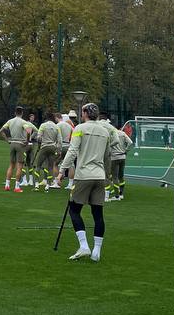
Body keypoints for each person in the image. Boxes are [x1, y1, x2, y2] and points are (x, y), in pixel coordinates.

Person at [54, 102, 110, 261]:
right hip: (99, 176)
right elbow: (107, 155)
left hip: (84, 175)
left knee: (74, 210)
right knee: (98, 214)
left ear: (85, 113)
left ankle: (84, 246)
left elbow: (72, 151)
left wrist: (61, 171)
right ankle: (96, 252)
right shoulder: (105, 131)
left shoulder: (79, 128)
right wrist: (107, 175)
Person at [0, 106, 32, 192]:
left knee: (11, 165)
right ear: (22, 113)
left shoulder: (10, 121)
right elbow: (29, 131)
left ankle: (7, 185)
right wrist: (27, 141)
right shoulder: (23, 122)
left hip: (12, 143)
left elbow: (1, 131)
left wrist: (7, 140)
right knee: (20, 166)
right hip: (20, 144)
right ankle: (17, 187)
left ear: (15, 113)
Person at [33, 109, 63, 191]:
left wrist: (39, 145)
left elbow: (39, 137)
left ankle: (36, 184)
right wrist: (59, 150)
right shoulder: (56, 127)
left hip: (44, 147)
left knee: (38, 165)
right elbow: (60, 140)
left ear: (46, 118)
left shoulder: (43, 125)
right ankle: (48, 185)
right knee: (50, 167)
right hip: (52, 147)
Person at [105, 121, 133, 202]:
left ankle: (116, 196)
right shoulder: (123, 133)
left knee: (114, 177)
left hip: (114, 157)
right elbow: (130, 143)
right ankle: (121, 194)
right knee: (121, 176)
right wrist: (126, 150)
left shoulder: (111, 134)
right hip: (122, 156)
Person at [51, 111, 75, 189]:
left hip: (61, 146)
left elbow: (55, 137)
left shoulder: (57, 125)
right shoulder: (69, 125)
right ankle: (70, 184)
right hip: (68, 145)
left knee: (55, 163)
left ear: (56, 118)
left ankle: (56, 183)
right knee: (71, 165)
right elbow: (73, 133)